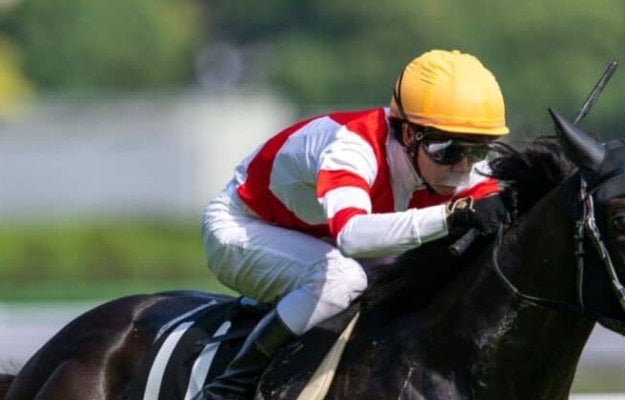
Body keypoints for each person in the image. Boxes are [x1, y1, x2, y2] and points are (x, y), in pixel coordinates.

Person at [197, 49, 513, 399]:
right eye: (449, 151)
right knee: (341, 280)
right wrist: (452, 214)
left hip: (322, 242)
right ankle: (228, 388)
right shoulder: (353, 146)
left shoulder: (459, 167)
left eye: (477, 151)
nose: (463, 167)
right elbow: (352, 236)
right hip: (242, 228)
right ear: (410, 135)